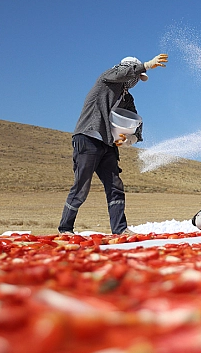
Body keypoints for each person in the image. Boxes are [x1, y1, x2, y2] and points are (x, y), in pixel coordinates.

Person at [58, 54, 168, 235]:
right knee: (81, 186)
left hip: (107, 144)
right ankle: (65, 228)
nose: (135, 81)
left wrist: (130, 139)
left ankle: (120, 229)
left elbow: (135, 122)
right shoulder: (107, 78)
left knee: (115, 186)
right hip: (88, 137)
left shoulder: (128, 98)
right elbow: (121, 73)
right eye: (134, 76)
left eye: (137, 79)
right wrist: (146, 65)